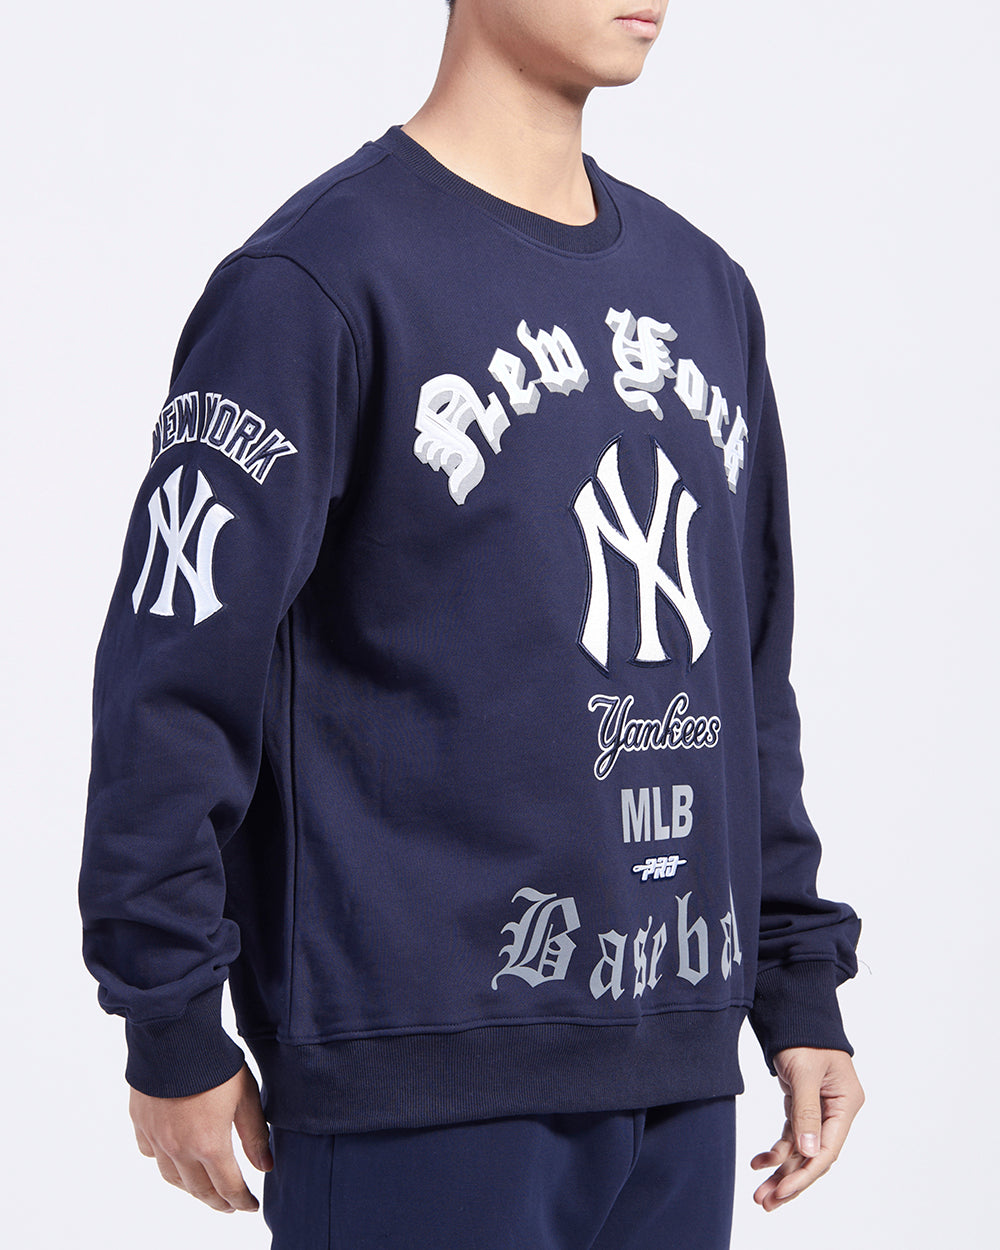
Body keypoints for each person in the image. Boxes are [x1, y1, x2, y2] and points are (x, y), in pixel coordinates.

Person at [78, 2, 865, 1246]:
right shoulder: (317, 282)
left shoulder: (706, 291)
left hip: (677, 1063)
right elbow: (173, 669)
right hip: (415, 1078)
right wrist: (167, 1010)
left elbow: (746, 680)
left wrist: (794, 976)